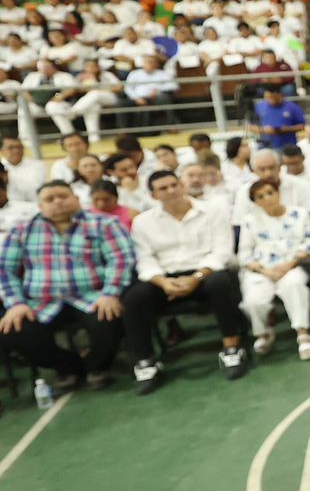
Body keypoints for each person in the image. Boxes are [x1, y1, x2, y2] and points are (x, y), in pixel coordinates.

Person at [0, 180, 133, 392]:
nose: (58, 202)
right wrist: (15, 303)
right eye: (50, 199)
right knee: (13, 330)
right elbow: (4, 270)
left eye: (63, 196)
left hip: (92, 295)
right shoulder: (21, 232)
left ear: (76, 199)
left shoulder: (104, 224)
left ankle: (96, 367)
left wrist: (110, 293)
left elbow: (120, 260)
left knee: (110, 319)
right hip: (43, 301)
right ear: (40, 206)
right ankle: (69, 367)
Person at [125, 170, 250, 393]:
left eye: (174, 185)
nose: (171, 191)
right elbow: (145, 260)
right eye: (163, 188)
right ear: (154, 196)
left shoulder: (214, 210)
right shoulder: (143, 223)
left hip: (206, 272)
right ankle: (145, 362)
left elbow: (222, 251)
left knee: (220, 283)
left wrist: (196, 277)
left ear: (182, 185)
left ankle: (232, 347)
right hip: (166, 278)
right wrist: (163, 283)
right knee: (135, 297)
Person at [237, 180, 310, 360]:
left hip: (292, 264)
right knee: (253, 301)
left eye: (270, 193)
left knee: (294, 284)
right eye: (260, 197)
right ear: (255, 202)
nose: (267, 198)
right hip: (262, 269)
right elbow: (243, 255)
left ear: (278, 193)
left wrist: (290, 264)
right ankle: (263, 333)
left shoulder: (300, 214)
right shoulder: (249, 222)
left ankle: (303, 333)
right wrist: (265, 271)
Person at [123, 53, 178, 128]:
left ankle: (171, 125)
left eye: (151, 62)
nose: (149, 64)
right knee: (122, 104)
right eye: (146, 62)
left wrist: (158, 90)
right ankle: (123, 130)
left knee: (164, 98)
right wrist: (136, 98)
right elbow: (128, 88)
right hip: (137, 98)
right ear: (142, 63)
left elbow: (174, 86)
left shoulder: (163, 74)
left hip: (154, 98)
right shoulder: (134, 74)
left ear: (156, 64)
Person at [253, 84, 306, 150]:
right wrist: (263, 130)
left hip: (287, 146)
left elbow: (302, 126)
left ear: (280, 95)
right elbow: (250, 125)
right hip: (265, 146)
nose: (269, 100)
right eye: (267, 97)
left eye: (272, 97)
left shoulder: (292, 107)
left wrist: (284, 129)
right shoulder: (259, 106)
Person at [1, 136, 47, 203]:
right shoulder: (1, 168)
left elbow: (36, 190)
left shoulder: (37, 165)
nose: (16, 151)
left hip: (34, 206)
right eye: (10, 148)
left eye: (19, 147)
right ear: (2, 150)